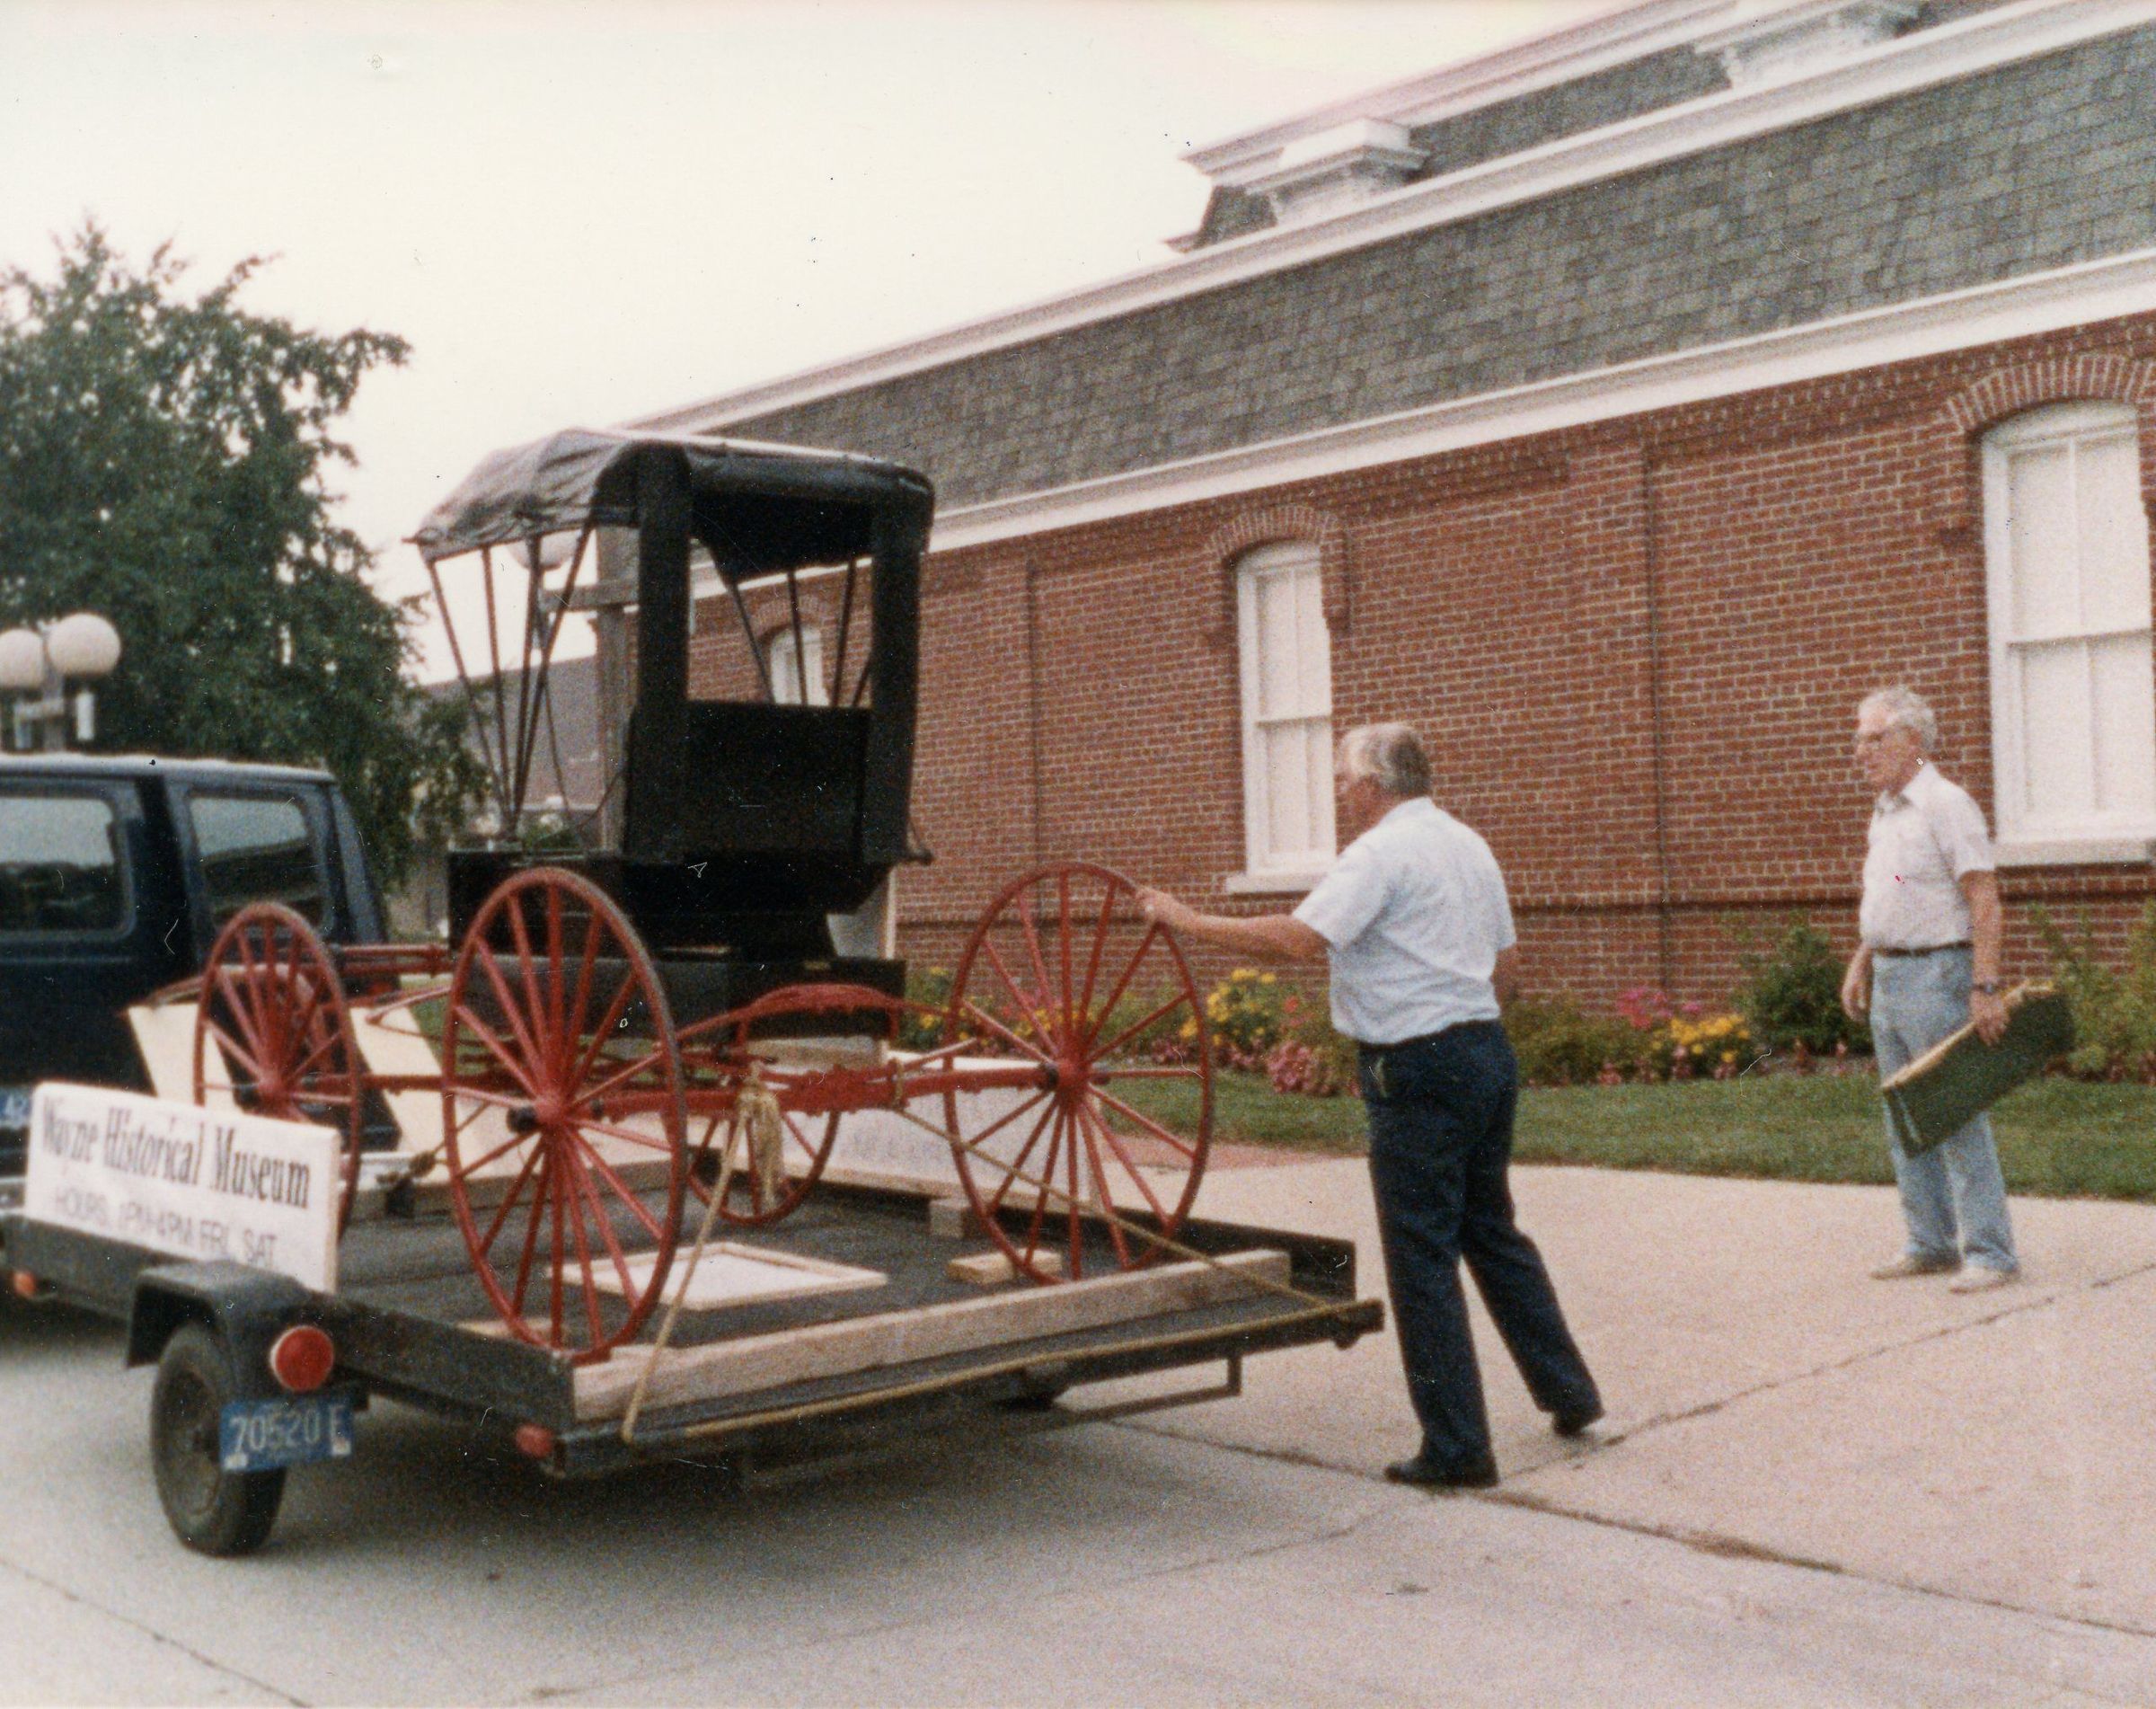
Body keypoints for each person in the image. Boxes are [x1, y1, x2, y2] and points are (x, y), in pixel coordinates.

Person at [1136, 722, 1601, 1490]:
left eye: (1345, 780)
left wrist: (1187, 921)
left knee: (1421, 1255)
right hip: (1485, 1052)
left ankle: (1458, 1449)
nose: (1340, 793)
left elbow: (1298, 939)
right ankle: (1570, 1393)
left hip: (1417, 1066)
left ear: (1376, 784)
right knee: (1492, 1230)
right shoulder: (1469, 844)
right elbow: (1507, 967)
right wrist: (1466, 1025)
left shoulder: (1379, 854)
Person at [1839, 686, 2019, 1292]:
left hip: (1939, 976)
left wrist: (1985, 985)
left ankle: (1991, 1252)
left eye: (1874, 738)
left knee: (1955, 1113)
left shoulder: (1947, 805)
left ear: (1912, 740)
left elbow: (1983, 897)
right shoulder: (1888, 813)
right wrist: (1864, 956)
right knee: (1905, 1118)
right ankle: (1929, 1243)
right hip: (1891, 978)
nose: (1861, 751)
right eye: (1858, 739)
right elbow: (1898, 887)